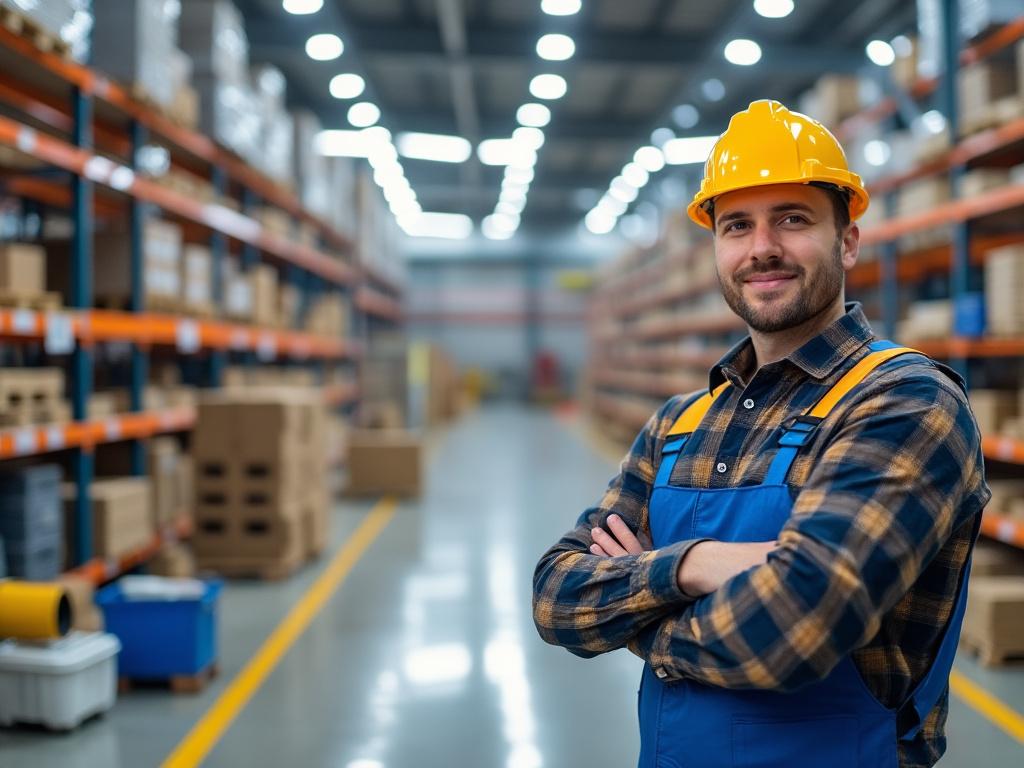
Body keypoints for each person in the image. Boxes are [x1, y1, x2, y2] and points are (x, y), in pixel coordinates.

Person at [532, 100, 990, 768]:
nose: (761, 248)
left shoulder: (904, 402)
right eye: (737, 225)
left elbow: (794, 630)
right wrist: (696, 565)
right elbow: (555, 595)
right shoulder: (678, 425)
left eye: (793, 219)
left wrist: (638, 613)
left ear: (849, 240)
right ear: (716, 247)